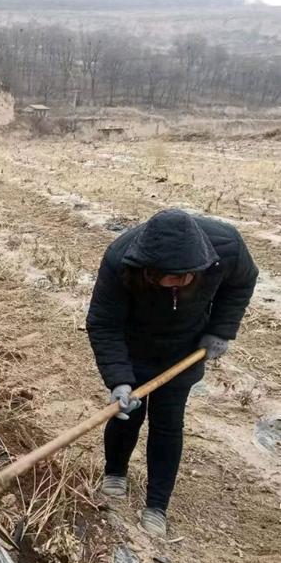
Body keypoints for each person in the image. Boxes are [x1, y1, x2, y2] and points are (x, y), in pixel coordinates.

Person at [86, 209, 258, 536]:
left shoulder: (225, 247)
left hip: (184, 348)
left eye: (185, 278)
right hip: (135, 344)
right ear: (149, 272)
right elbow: (103, 323)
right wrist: (119, 380)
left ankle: (157, 504)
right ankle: (115, 472)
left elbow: (242, 282)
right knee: (127, 412)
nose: (178, 284)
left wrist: (221, 330)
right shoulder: (121, 259)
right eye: (170, 278)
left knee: (168, 421)